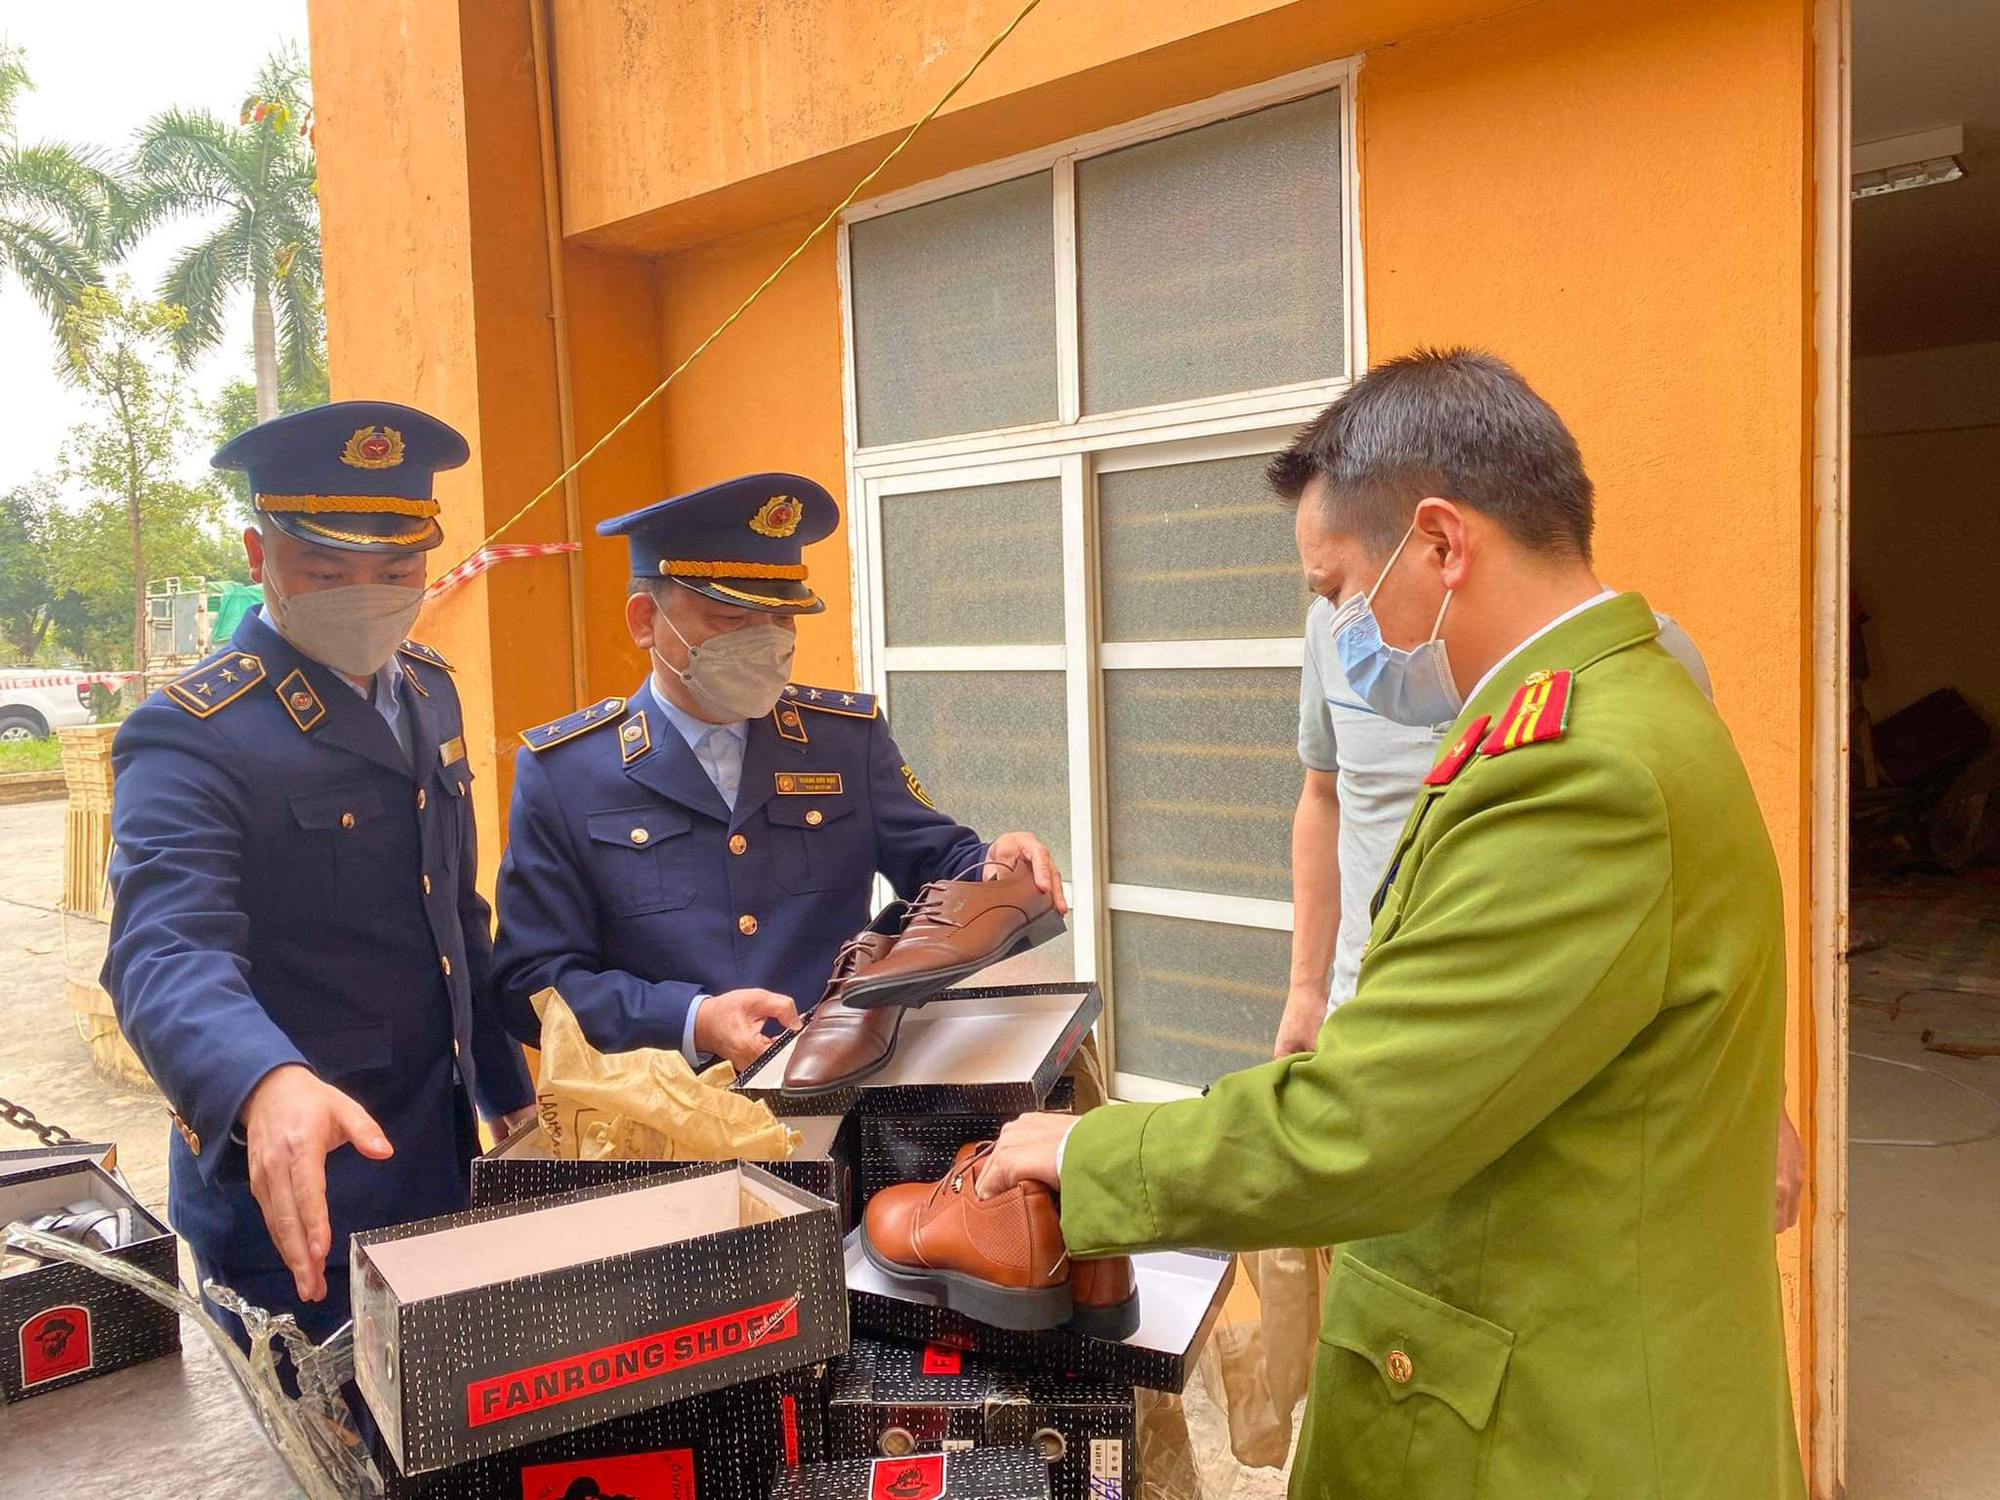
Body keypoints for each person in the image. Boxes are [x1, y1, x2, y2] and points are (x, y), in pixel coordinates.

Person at [985, 350, 1806, 1496]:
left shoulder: (1574, 773)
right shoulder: (1608, 702)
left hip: (1549, 1421)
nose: (1337, 629)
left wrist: (1087, 1149)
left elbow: (1364, 1125)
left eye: (1334, 592)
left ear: (1439, 542)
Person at [103, 402, 537, 1357]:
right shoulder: (193, 730)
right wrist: (261, 1080)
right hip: (300, 1194)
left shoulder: (428, 685)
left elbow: (451, 913)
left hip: (439, 1152)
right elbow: (163, 947)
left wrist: (509, 1084)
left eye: (395, 571)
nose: (367, 595)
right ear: (260, 555)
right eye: (327, 571)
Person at [490, 473, 1065, 1069]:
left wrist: (995, 864)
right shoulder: (566, 773)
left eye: (781, 620)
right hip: (663, 1117)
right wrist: (693, 1020)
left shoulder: (845, 740)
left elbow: (937, 862)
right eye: (729, 619)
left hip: (841, 1082)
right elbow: (529, 984)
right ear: (644, 621)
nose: (765, 644)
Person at [1280, 588, 1806, 1234]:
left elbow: (1714, 898)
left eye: (1344, 578)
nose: (1344, 610)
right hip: (1374, 1064)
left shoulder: (1637, 661)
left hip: (1559, 1085)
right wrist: (1305, 993)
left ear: (1443, 540)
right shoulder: (1336, 634)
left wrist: (1763, 1104)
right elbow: (1324, 796)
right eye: (1330, 589)